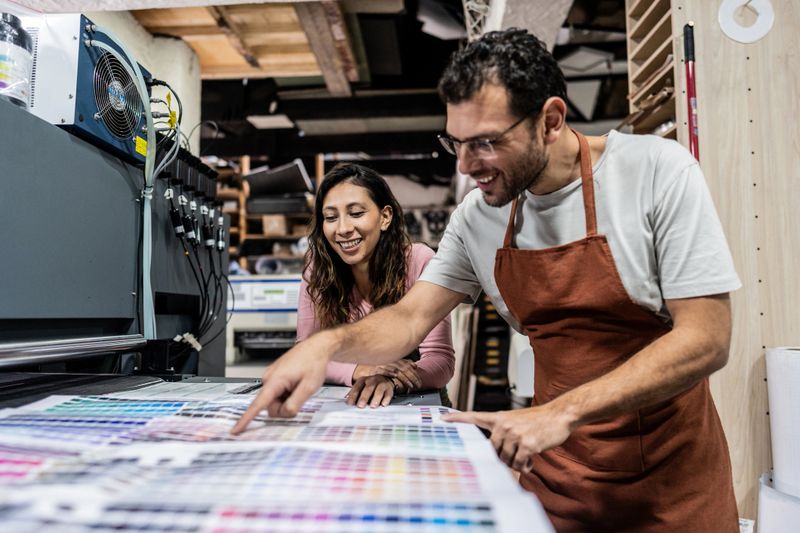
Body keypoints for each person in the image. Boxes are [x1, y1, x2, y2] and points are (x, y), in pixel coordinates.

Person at [233, 28, 740, 532]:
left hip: (671, 489)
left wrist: (561, 412)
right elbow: (411, 318)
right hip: (554, 478)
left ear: (551, 121)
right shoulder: (479, 216)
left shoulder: (656, 173)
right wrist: (324, 348)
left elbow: (706, 339)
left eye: (485, 143)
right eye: (455, 142)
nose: (466, 165)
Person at [297, 162, 454, 407]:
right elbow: (306, 353)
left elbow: (440, 359)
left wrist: (392, 381)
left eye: (356, 213)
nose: (343, 229)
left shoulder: (419, 261)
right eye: (330, 217)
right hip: (345, 399)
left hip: (414, 398)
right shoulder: (318, 269)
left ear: (385, 217)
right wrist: (361, 370)